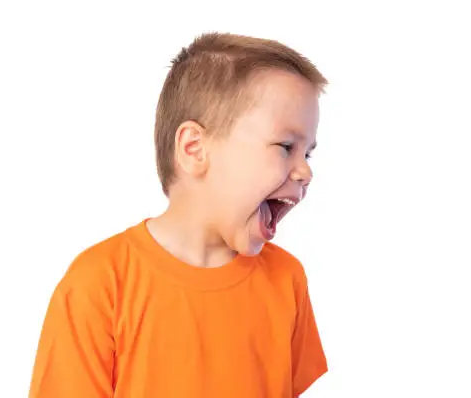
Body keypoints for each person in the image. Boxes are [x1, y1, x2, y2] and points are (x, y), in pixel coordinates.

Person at [29, 32, 329, 398]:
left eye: (308, 153)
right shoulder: (99, 284)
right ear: (194, 149)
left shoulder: (287, 280)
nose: (304, 172)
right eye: (285, 147)